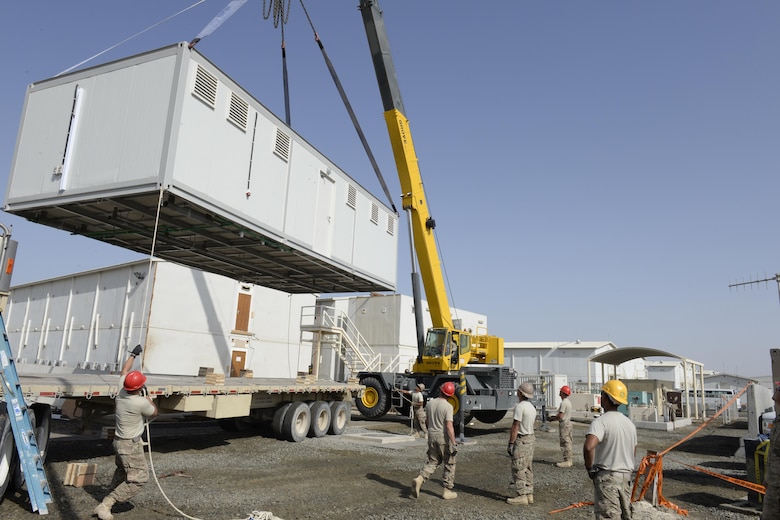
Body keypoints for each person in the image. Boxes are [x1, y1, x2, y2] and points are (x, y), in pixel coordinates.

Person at [94, 345, 158, 520]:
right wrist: (148, 399)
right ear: (139, 387)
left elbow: (125, 370)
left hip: (119, 442)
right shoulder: (138, 403)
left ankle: (106, 499)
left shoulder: (121, 391)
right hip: (130, 445)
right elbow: (154, 412)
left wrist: (133, 355)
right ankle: (107, 504)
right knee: (140, 477)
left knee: (122, 472)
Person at [583, 379, 637, 520]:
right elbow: (633, 452)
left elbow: (589, 447)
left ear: (606, 398)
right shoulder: (629, 424)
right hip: (626, 478)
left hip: (608, 478)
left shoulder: (601, 422)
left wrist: (590, 468)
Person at [411, 381, 459, 500]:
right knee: (449, 462)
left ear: (441, 390)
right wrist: (454, 442)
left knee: (433, 461)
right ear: (451, 395)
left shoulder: (430, 404)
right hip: (442, 437)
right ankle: (447, 490)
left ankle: (420, 479)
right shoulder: (448, 407)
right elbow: (449, 426)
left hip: (431, 435)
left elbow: (427, 421)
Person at [507, 381, 536, 505]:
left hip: (522, 439)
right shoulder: (532, 407)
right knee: (528, 467)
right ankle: (529, 493)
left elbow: (516, 426)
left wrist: (511, 443)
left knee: (518, 467)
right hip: (531, 438)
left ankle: (521, 495)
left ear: (520, 393)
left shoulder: (520, 407)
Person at [761, 383, 780, 519]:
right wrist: (768, 477)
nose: (774, 395)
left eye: (778, 389)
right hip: (774, 483)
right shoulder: (778, 421)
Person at [555, 385, 574, 468]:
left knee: (565, 442)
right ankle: (569, 460)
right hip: (568, 423)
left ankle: (567, 461)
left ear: (562, 393)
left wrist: (552, 418)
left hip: (564, 424)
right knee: (568, 441)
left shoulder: (563, 403)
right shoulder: (568, 402)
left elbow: (560, 416)